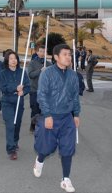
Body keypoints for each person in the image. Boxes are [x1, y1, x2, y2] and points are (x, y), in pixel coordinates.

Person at [33, 44, 80, 193]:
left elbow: (75, 97)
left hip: (67, 117)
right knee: (47, 148)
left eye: (69, 54)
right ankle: (39, 160)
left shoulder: (73, 75)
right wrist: (47, 115)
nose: (68, 57)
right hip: (51, 116)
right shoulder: (47, 73)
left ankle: (65, 179)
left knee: (68, 148)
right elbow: (41, 95)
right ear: (56, 57)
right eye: (65, 54)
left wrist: (76, 114)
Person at [0, 51, 30, 160]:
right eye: (11, 58)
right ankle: (11, 150)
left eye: (15, 58)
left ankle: (15, 141)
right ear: (7, 60)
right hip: (7, 101)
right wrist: (15, 88)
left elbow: (28, 86)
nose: (13, 60)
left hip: (19, 101)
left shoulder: (22, 72)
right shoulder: (3, 73)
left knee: (17, 124)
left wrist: (23, 92)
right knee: (10, 125)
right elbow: (3, 88)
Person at [27, 45, 52, 133]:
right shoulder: (32, 63)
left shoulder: (49, 64)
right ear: (37, 52)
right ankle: (33, 126)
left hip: (45, 91)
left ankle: (41, 126)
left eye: (44, 51)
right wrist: (40, 70)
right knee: (35, 109)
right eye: (40, 51)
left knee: (44, 109)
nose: (42, 53)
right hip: (34, 90)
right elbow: (30, 75)